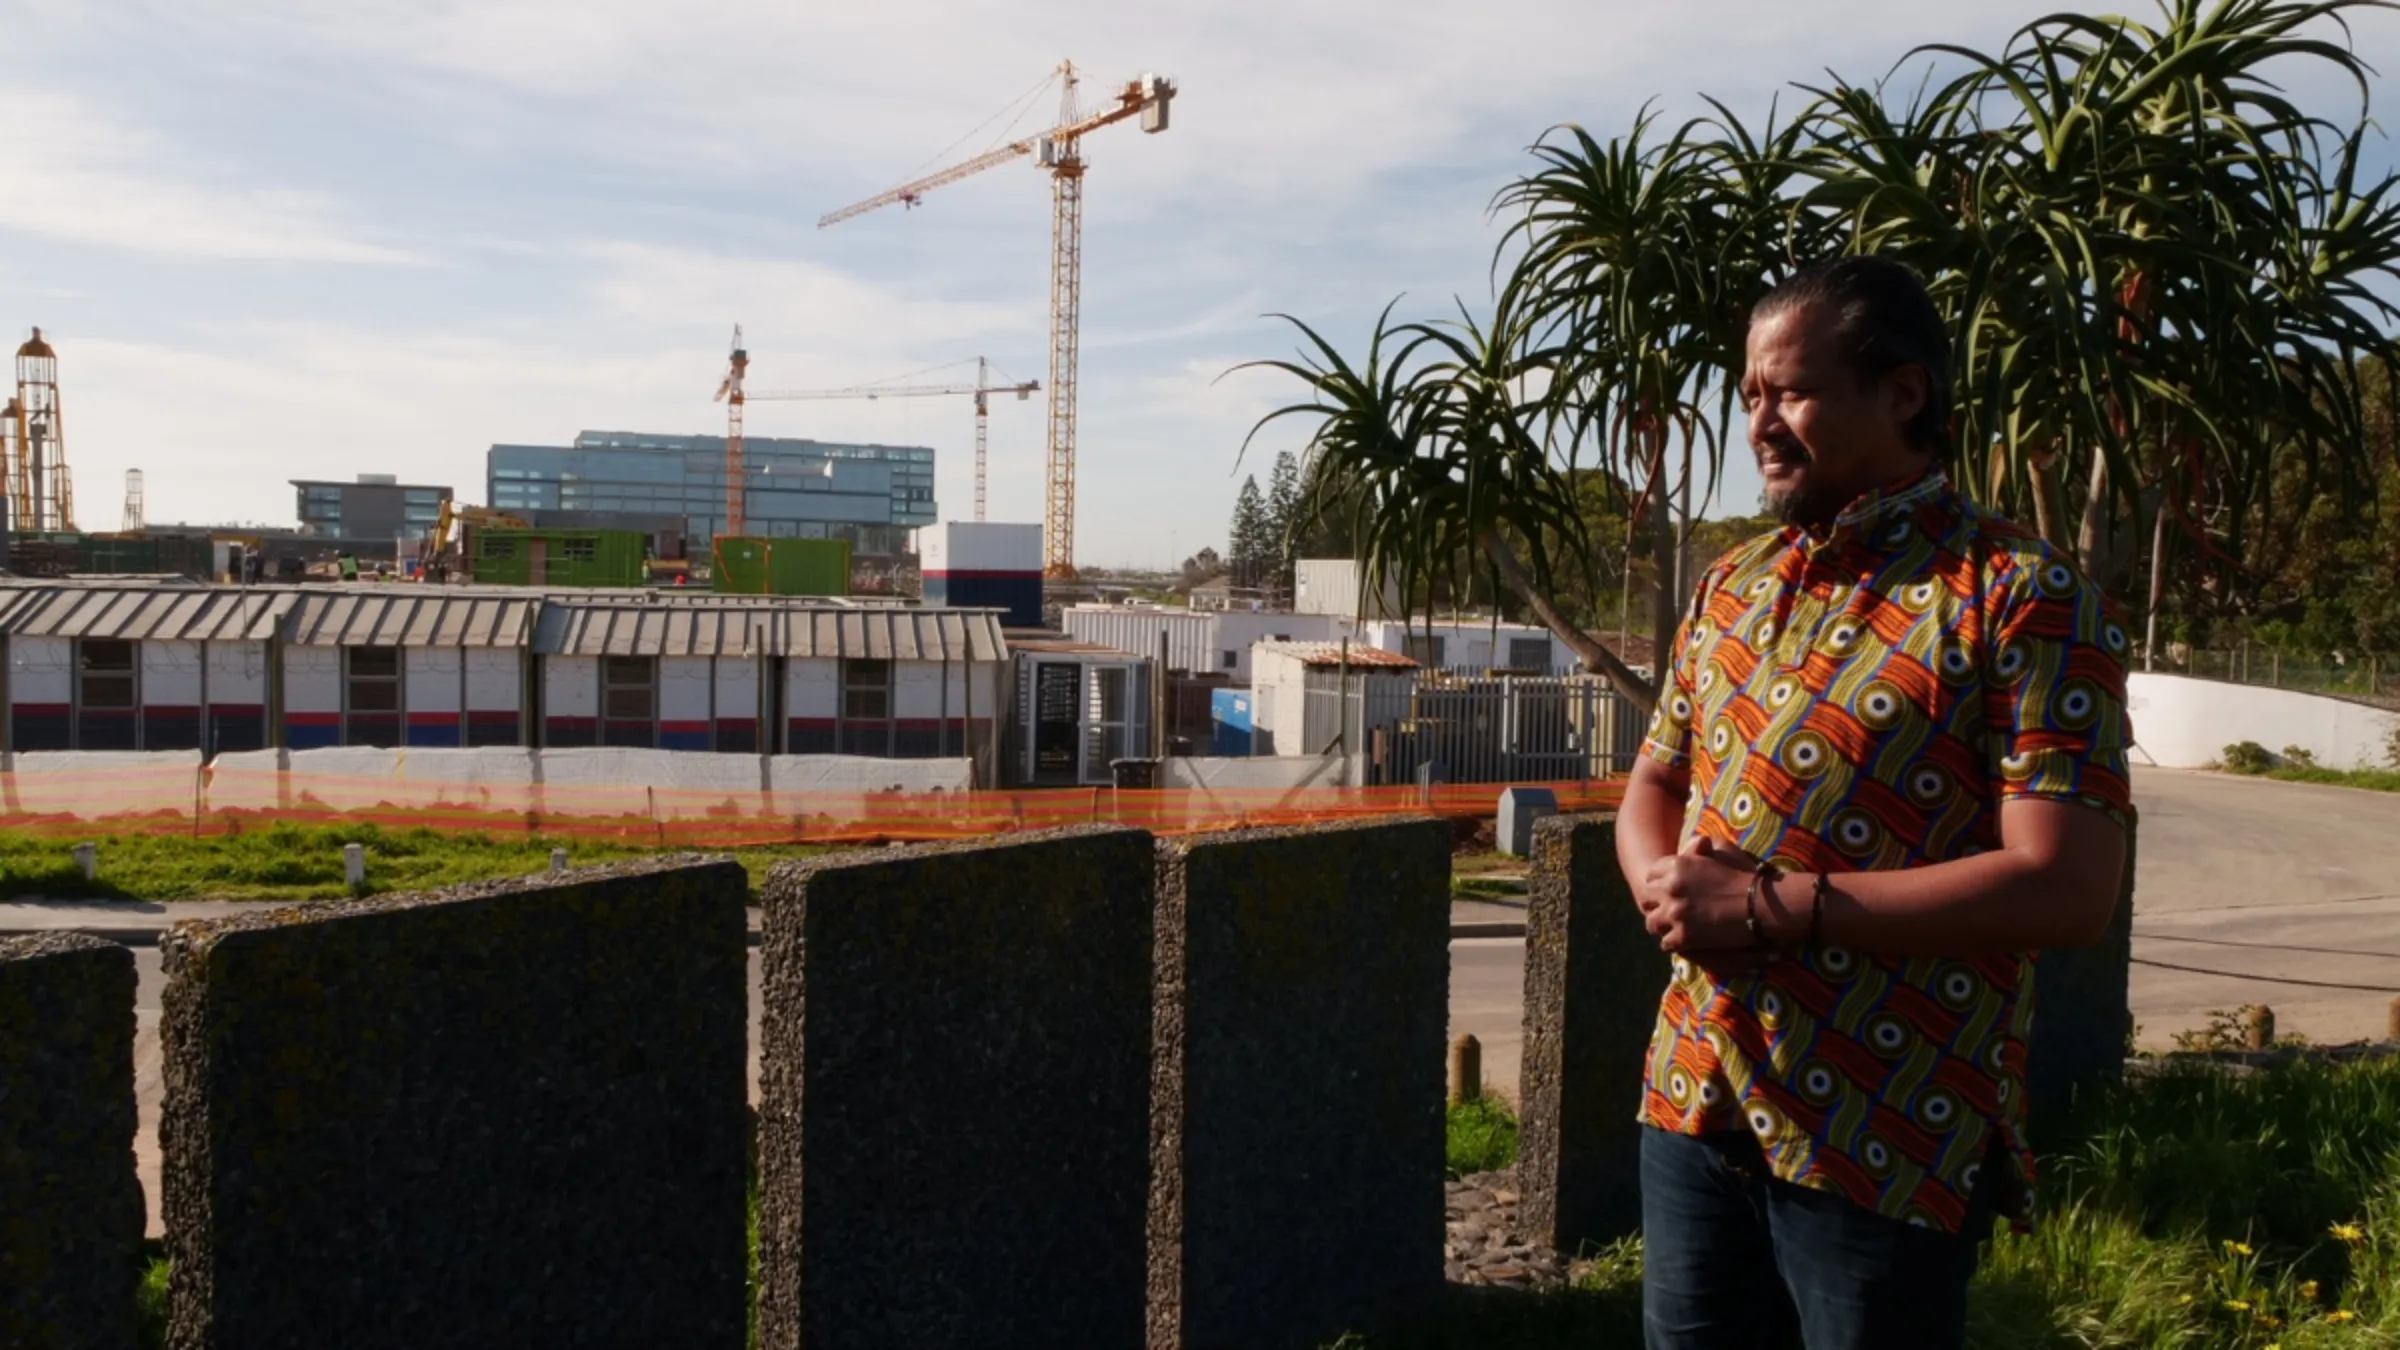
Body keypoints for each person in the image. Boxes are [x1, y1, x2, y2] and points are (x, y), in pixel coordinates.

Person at [1618, 255, 2132, 1350]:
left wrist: (1767, 910)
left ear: (1903, 393)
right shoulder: (1732, 583)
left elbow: (2068, 886)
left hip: (1884, 1123)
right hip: (1693, 1098)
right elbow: (1656, 780)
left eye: (1791, 391)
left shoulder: (2020, 595)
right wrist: (1666, 896)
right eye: (1752, 394)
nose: (1761, 421)